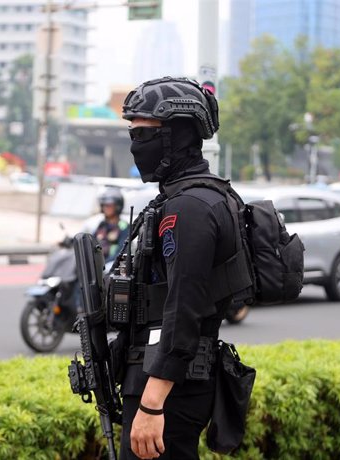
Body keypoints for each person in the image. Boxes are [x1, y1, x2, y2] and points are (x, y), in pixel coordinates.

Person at [115, 76, 234, 459]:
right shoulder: (190, 197)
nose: (135, 145)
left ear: (176, 135)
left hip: (170, 389)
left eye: (143, 134)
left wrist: (151, 405)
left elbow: (184, 309)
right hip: (169, 381)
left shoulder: (190, 208)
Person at [94, 188, 129, 263]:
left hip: (112, 264)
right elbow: (90, 241)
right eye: (104, 205)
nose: (105, 208)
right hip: (97, 263)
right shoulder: (102, 225)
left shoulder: (124, 226)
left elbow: (121, 251)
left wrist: (103, 263)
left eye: (109, 205)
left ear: (118, 206)